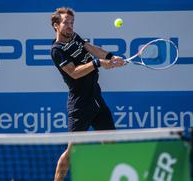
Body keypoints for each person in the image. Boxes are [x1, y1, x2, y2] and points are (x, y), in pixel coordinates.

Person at [50, 7, 125, 181]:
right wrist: (97, 63)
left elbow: (92, 48)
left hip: (97, 100)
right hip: (80, 105)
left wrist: (111, 57)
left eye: (71, 22)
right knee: (72, 151)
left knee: (111, 144)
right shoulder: (56, 50)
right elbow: (74, 72)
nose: (70, 26)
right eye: (66, 23)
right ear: (56, 26)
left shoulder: (75, 37)